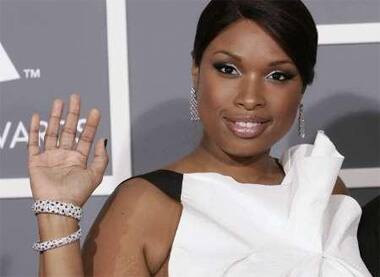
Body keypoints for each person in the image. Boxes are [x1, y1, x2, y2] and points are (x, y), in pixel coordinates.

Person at [28, 0, 372, 276]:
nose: (250, 97)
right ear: (197, 70)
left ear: (303, 87)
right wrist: (56, 213)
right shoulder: (149, 205)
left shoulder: (324, 192)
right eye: (228, 69)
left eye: (277, 75)